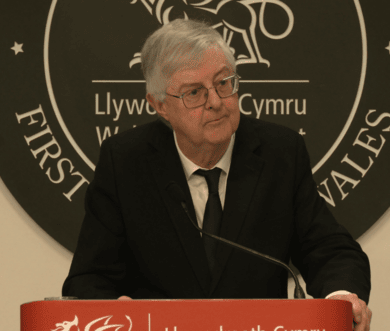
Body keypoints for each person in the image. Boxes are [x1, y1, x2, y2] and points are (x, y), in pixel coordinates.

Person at [63, 19, 372, 330]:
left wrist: (341, 297)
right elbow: (89, 277)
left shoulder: (280, 152)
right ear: (159, 105)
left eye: (223, 82)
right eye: (194, 92)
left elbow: (329, 249)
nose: (215, 102)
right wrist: (111, 310)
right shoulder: (125, 162)